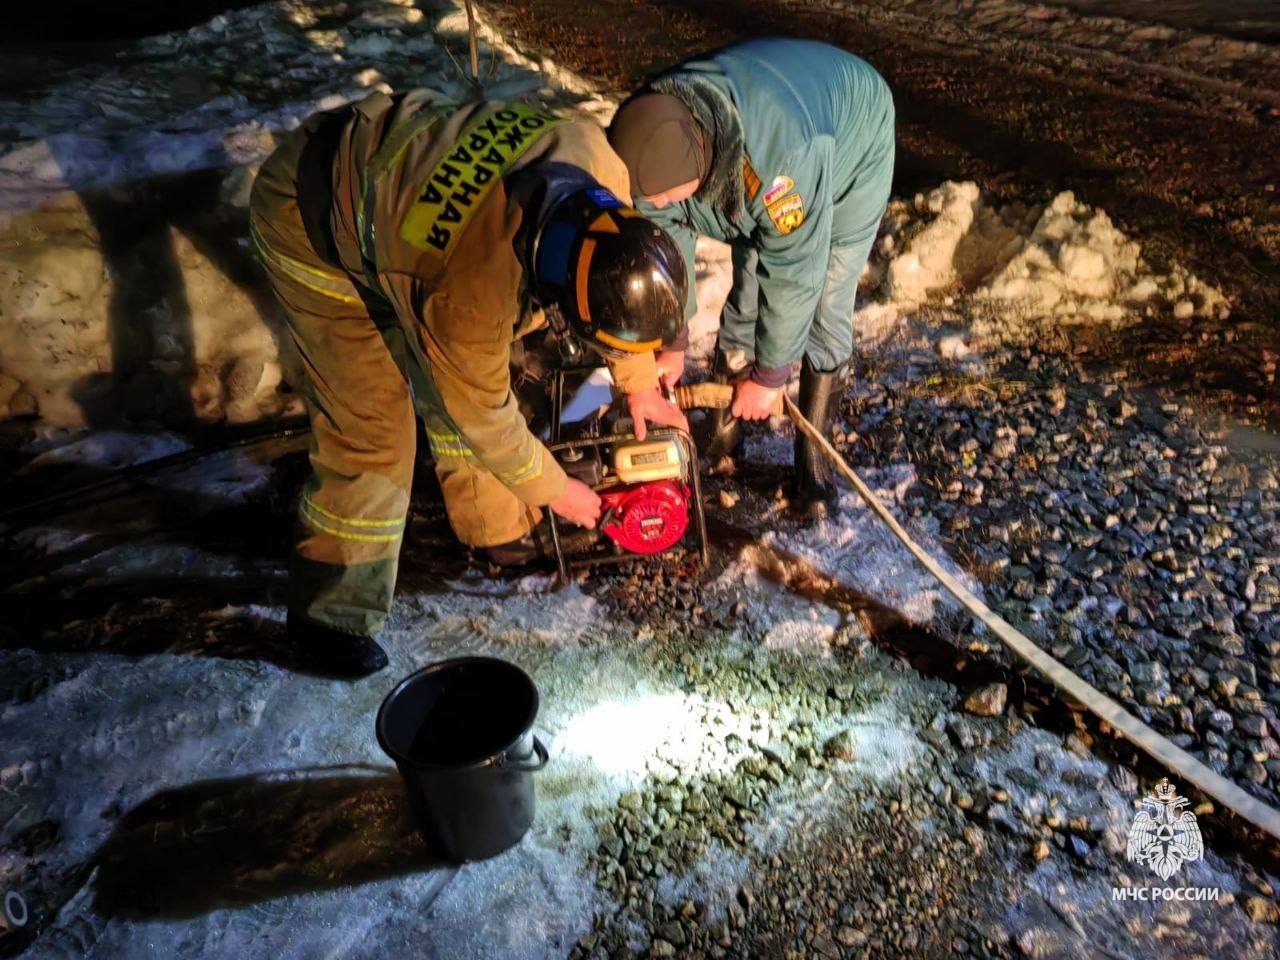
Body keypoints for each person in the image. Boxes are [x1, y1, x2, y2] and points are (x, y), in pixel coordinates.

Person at [250, 90, 689, 678]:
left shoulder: (599, 167)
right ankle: (328, 618)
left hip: (397, 183)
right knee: (375, 432)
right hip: (315, 215)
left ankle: (492, 526)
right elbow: (484, 416)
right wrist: (557, 490)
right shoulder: (471, 298)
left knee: (459, 376)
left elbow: (607, 283)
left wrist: (639, 384)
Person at [609, 38, 895, 520]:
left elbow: (795, 269)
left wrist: (771, 375)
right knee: (748, 281)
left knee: (824, 296)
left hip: (850, 139)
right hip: (757, 128)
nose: (654, 204)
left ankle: (813, 463)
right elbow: (664, 234)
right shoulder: (652, 129)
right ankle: (726, 428)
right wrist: (673, 336)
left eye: (664, 196)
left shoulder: (783, 167)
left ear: (699, 166)